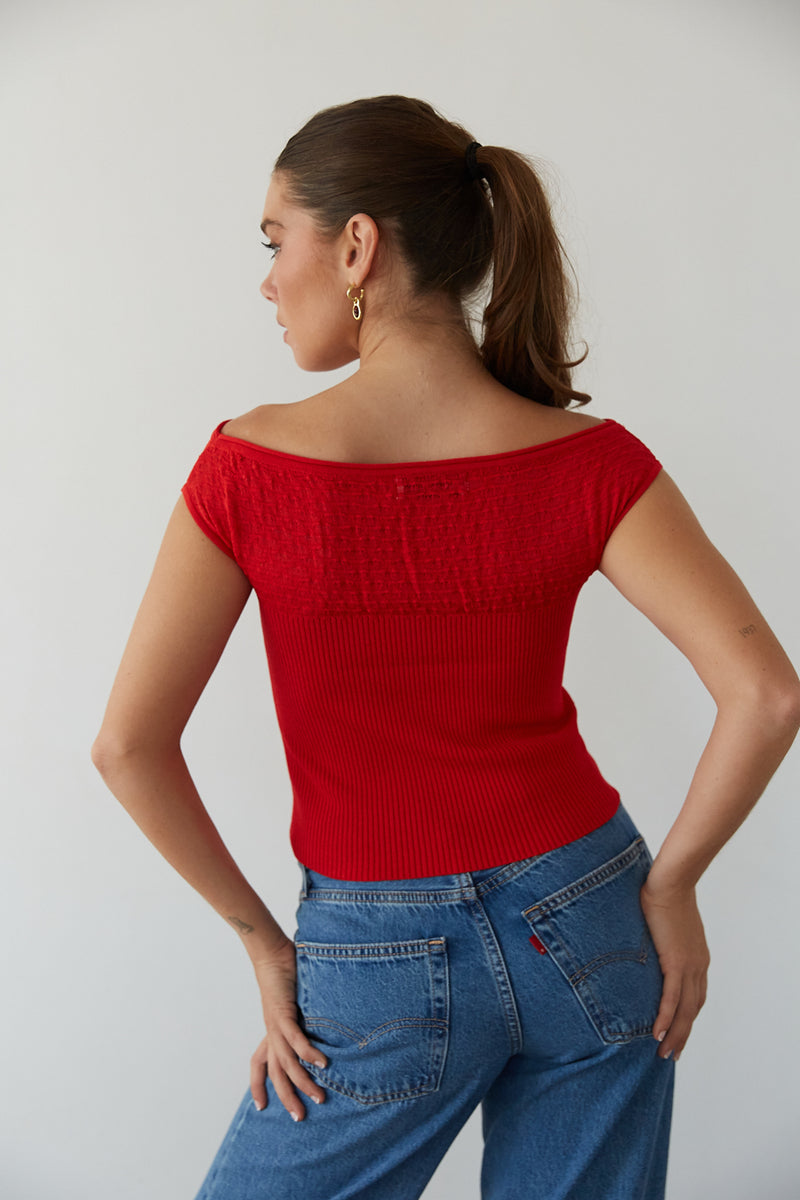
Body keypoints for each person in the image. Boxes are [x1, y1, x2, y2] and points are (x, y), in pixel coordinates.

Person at [91, 95, 800, 1200]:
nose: (268, 280)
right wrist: (670, 889)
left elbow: (128, 746)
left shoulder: (247, 468)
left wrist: (264, 946)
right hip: (592, 912)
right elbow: (762, 693)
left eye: (277, 241)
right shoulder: (590, 460)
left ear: (358, 244)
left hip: (370, 957)